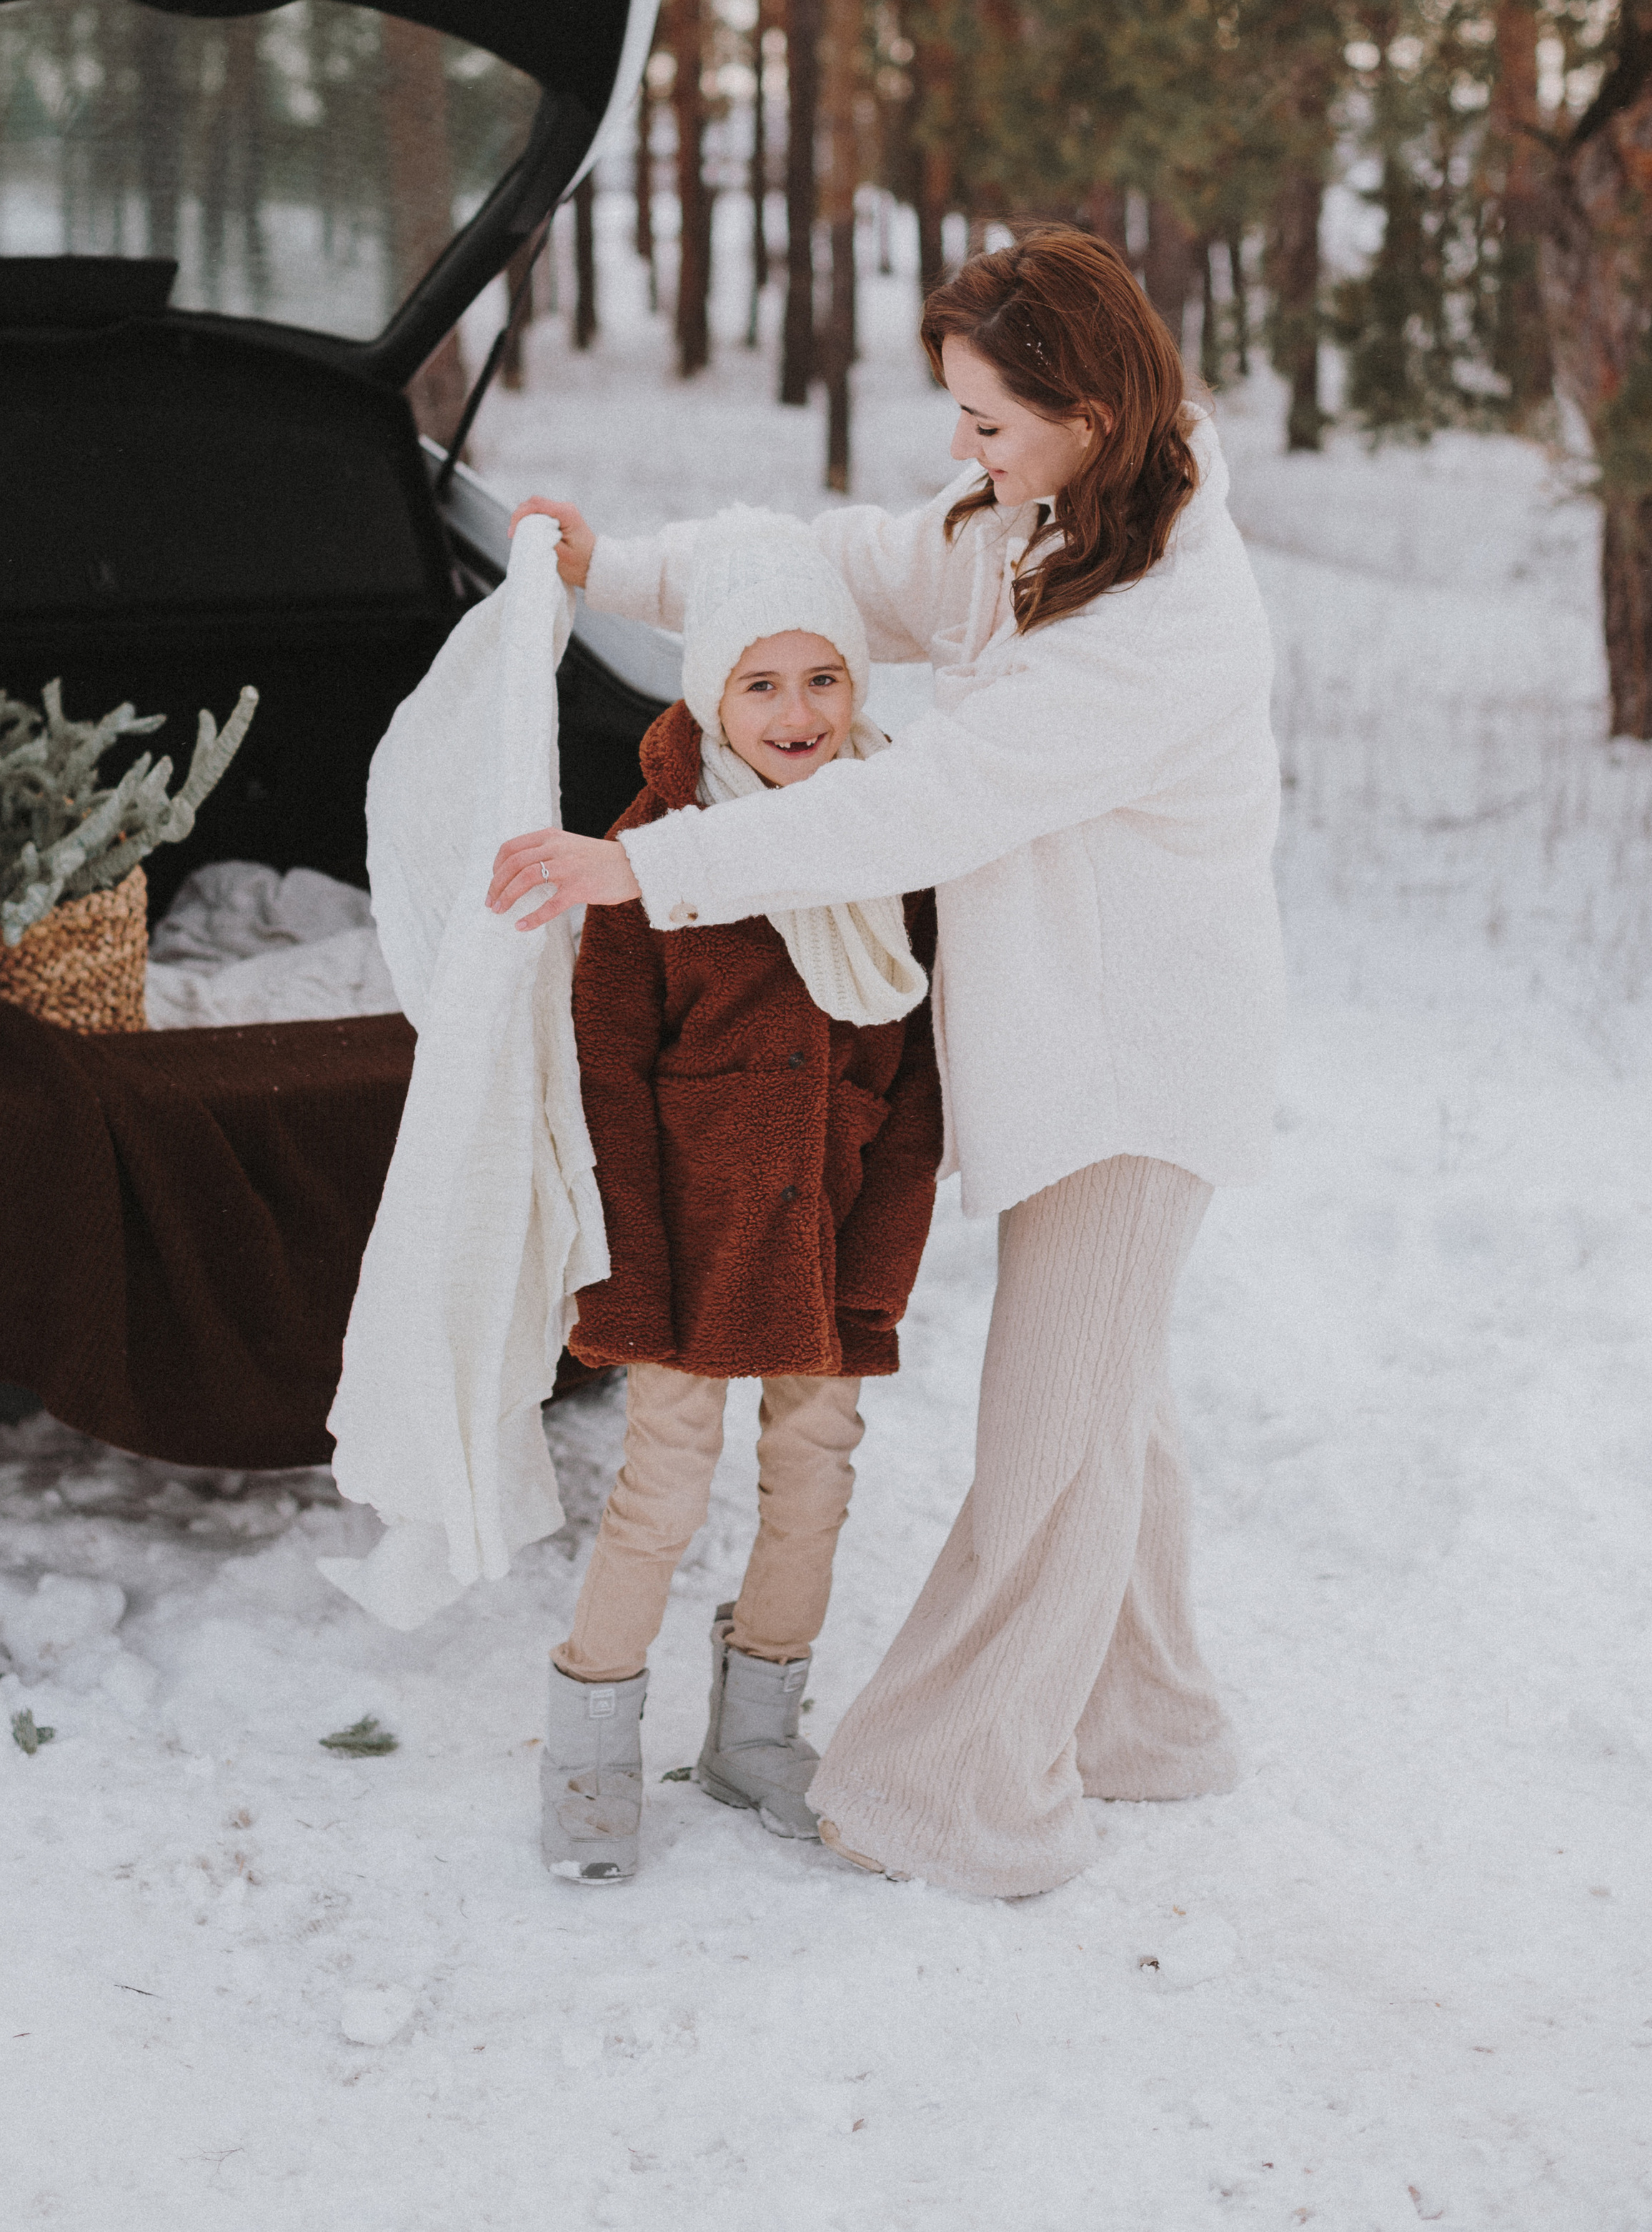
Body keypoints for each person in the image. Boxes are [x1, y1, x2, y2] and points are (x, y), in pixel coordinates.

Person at [492, 223, 1283, 1903]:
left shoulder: (1156, 622)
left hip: (1134, 1072)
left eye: (987, 420)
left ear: (1089, 408)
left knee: (1050, 1436)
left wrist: (652, 865)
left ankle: (952, 1798)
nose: (960, 452)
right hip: (1072, 1046)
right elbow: (829, 568)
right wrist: (610, 568)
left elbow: (919, 799)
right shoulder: (1047, 518)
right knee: (1107, 1412)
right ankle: (1147, 1725)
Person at [541, 513, 943, 1886]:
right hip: (685, 1249)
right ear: (711, 695)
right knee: (659, 1486)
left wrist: (878, 1261)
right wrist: (626, 1278)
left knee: (814, 1479)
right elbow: (605, 1081)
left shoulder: (893, 847)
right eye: (761, 684)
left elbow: (917, 1097)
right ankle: (590, 1742)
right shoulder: (652, 855)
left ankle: (758, 1729)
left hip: (825, 1238)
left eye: (823, 679)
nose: (796, 712)